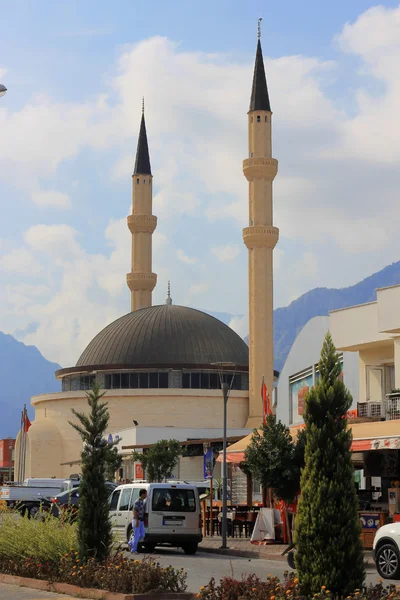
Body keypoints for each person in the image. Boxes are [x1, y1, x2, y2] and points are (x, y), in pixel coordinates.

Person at [129, 489, 147, 553]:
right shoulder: (137, 502)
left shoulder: (143, 501)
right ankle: (133, 550)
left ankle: (131, 542)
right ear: (142, 494)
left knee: (142, 535)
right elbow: (134, 511)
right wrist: (136, 520)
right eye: (145, 494)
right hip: (137, 520)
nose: (146, 495)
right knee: (136, 535)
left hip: (141, 520)